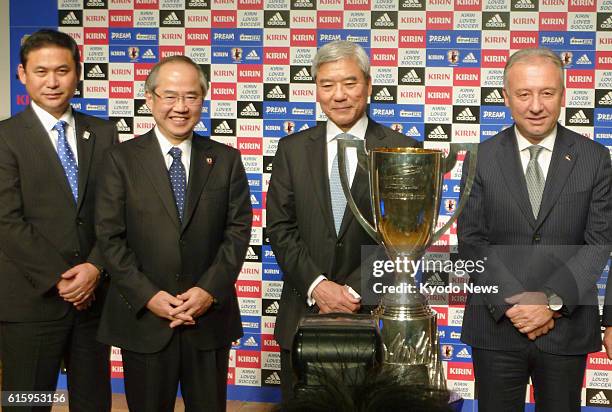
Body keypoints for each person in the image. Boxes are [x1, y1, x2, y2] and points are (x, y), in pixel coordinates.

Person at [458, 47, 612, 411]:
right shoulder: (480, 158)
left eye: (547, 92)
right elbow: (471, 242)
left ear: (563, 94)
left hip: (566, 329)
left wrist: (551, 302)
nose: (536, 105)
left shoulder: (595, 158)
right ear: (506, 98)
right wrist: (515, 303)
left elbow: (599, 242)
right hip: (495, 324)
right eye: (524, 94)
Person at [95, 55, 252, 412]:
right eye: (169, 96)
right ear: (149, 99)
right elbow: (109, 237)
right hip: (145, 321)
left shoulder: (226, 160)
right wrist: (149, 296)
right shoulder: (120, 160)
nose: (180, 107)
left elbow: (238, 232)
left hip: (208, 321)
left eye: (191, 96)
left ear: (203, 98)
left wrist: (208, 291)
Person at [266, 40, 420, 402]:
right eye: (327, 84)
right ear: (316, 89)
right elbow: (280, 227)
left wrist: (351, 291)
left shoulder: (402, 148)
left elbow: (404, 234)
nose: (339, 95)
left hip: (373, 316)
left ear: (368, 85)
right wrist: (318, 285)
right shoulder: (292, 149)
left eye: (350, 83)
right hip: (302, 316)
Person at [0, 29, 116, 411]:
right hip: (30, 305)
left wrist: (94, 269)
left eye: (62, 70)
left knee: (93, 403)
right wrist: (63, 279)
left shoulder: (103, 133)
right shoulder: (6, 138)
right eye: (41, 71)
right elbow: (7, 221)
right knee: (26, 403)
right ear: (22, 73)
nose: (52, 81)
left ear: (78, 72)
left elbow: (115, 214)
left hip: (93, 301)